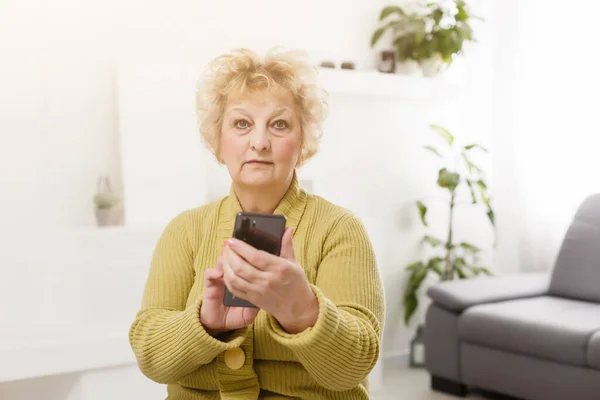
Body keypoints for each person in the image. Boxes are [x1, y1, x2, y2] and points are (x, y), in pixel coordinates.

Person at [128, 47, 386, 400]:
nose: (260, 142)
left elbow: (354, 367)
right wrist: (205, 322)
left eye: (279, 124)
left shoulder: (340, 229)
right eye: (241, 123)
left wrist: (303, 310)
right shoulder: (184, 231)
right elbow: (152, 357)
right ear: (219, 140)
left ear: (303, 141)